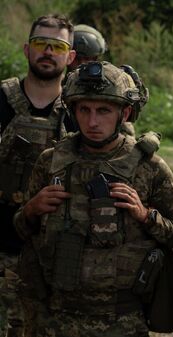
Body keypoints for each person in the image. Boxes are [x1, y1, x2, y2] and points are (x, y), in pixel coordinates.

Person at [12, 61, 173, 336]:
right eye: (84, 110)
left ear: (125, 112)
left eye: (104, 110)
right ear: (73, 111)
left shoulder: (150, 168)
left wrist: (146, 216)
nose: (92, 121)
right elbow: (21, 232)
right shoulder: (50, 162)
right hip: (54, 318)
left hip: (123, 321)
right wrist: (31, 210)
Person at [0, 14, 75, 337]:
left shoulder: (82, 110)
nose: (47, 51)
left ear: (70, 56)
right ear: (26, 50)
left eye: (56, 45)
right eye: (40, 44)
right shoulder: (2, 100)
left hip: (58, 254)